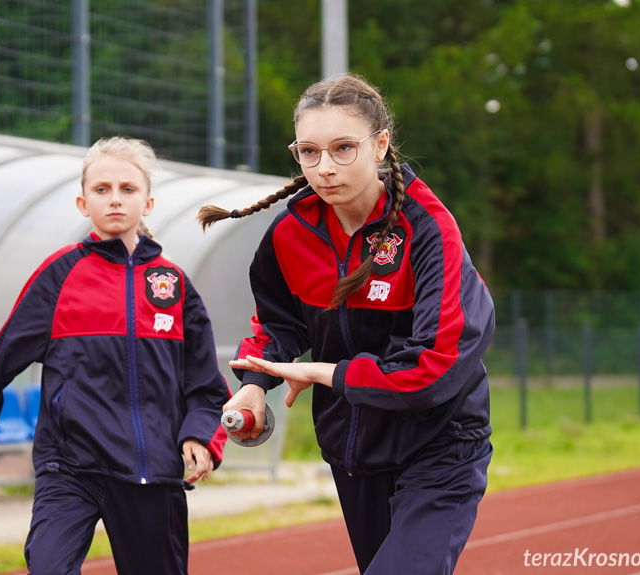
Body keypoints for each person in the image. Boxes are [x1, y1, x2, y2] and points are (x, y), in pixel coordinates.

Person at [198, 74, 495, 574]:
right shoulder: (291, 232)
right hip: (354, 451)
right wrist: (255, 383)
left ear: (380, 145)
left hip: (440, 445)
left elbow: (437, 365)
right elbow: (277, 322)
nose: (325, 168)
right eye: (309, 152)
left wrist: (328, 373)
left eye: (342, 149)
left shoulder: (429, 229)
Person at [0, 136, 229, 575]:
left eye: (128, 189)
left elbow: (205, 384)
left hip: (151, 471)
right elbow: (2, 357)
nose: (115, 199)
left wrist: (201, 438)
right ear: (83, 203)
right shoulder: (59, 275)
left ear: (148, 203)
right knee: (49, 567)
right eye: (102, 189)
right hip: (69, 466)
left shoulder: (174, 285)